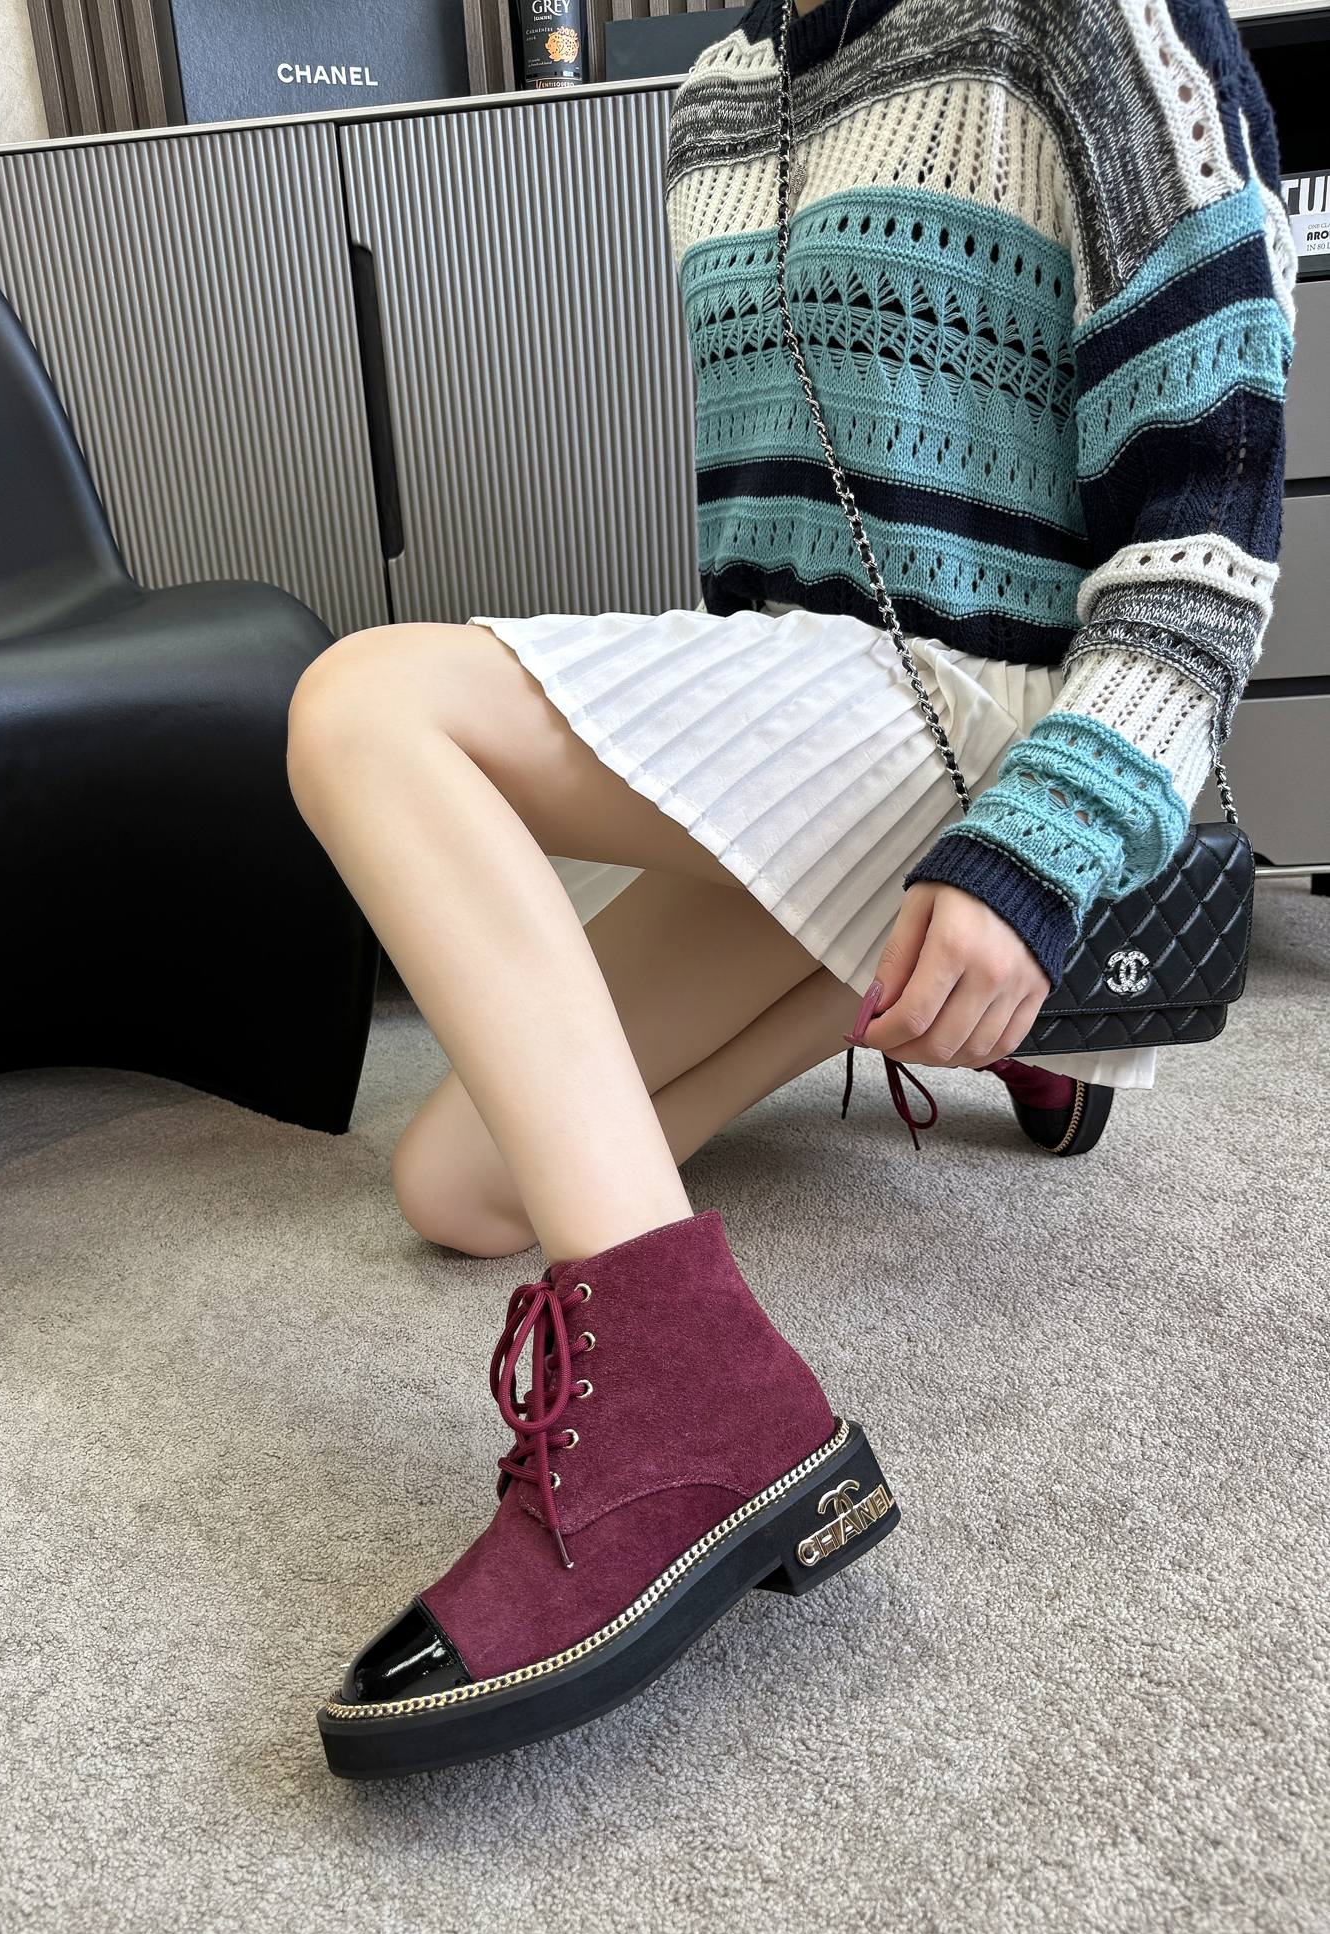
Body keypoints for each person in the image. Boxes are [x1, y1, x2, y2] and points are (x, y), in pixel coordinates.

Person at [288, 0, 1294, 1778]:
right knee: (462, 1187)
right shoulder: (724, 88)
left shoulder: (1090, 25)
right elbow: (765, 525)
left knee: (366, 705)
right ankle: (893, 989)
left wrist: (1038, 851)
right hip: (828, 702)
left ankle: (698, 1404)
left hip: (999, 708)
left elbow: (1200, 559)